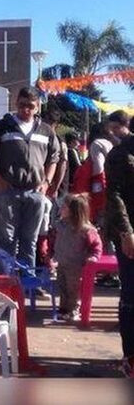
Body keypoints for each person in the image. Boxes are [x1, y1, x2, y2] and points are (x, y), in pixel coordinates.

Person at [0, 86, 60, 278]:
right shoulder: (1, 127)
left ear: (38, 107)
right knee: (7, 239)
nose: (26, 110)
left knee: (29, 240)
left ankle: (26, 284)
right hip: (8, 192)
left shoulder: (46, 131)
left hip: (35, 193)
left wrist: (46, 182)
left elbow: (54, 159)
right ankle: (5, 282)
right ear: (16, 103)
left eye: (31, 106)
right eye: (23, 105)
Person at [104, 122, 134, 377]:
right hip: (130, 234)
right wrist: (127, 233)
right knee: (131, 297)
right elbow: (114, 195)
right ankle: (130, 357)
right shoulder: (122, 154)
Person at [52, 194, 103, 322]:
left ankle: (74, 309)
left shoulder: (85, 229)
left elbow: (96, 245)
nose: (61, 209)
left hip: (76, 265)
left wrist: (94, 256)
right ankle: (63, 308)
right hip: (62, 262)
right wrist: (50, 254)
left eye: (64, 207)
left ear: (73, 211)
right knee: (62, 285)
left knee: (73, 288)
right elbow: (54, 241)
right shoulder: (60, 225)